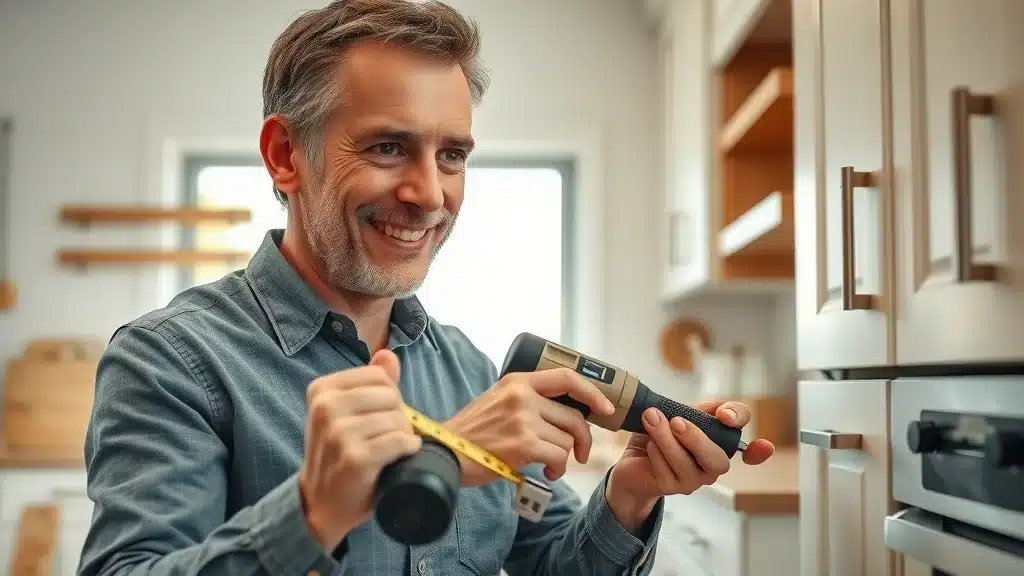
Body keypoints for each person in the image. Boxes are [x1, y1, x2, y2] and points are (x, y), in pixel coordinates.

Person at [77, 1, 775, 574]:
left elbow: (551, 561)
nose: (430, 194)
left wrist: (630, 494)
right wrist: (326, 508)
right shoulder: (171, 362)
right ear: (286, 156)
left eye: (452, 156)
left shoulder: (468, 371)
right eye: (388, 147)